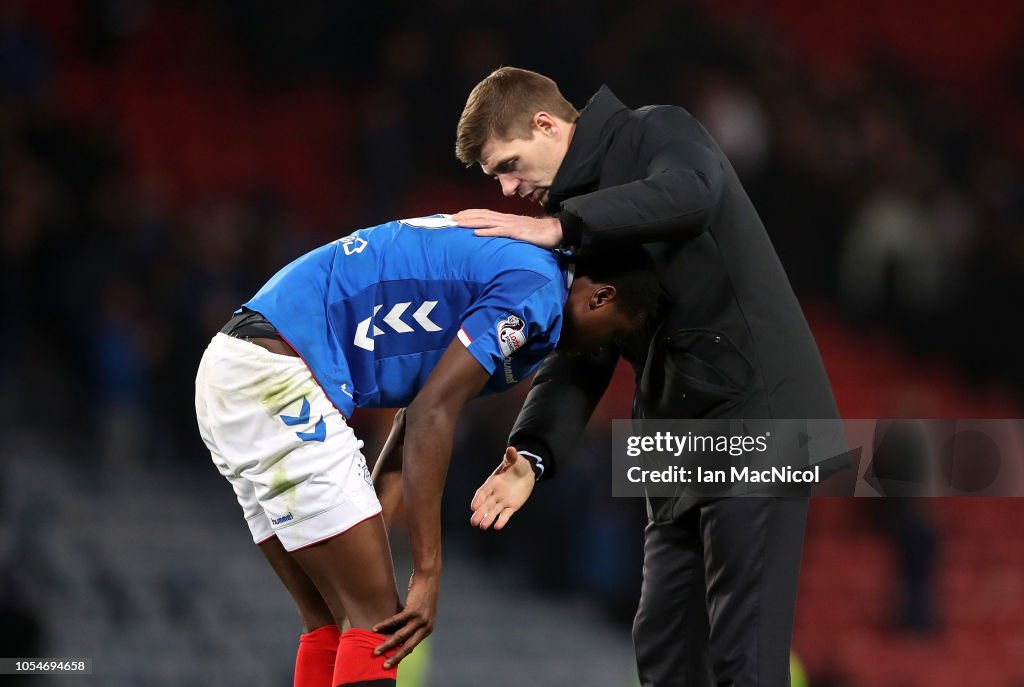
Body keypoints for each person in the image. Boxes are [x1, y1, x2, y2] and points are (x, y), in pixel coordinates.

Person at [453, 67, 843, 686]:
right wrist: (532, 452)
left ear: (546, 125)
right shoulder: (574, 219)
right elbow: (581, 348)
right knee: (663, 650)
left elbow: (693, 192)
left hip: (761, 418)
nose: (505, 187)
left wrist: (562, 227)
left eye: (507, 163)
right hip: (678, 439)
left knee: (744, 654)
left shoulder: (656, 130)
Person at [193, 213, 658, 687]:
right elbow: (433, 415)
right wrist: (427, 574)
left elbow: (416, 415)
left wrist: (376, 522)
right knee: (381, 624)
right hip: (279, 376)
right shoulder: (537, 286)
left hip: (235, 371)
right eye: (616, 335)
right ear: (601, 297)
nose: (604, 350)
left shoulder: (516, 272)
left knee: (332, 623)